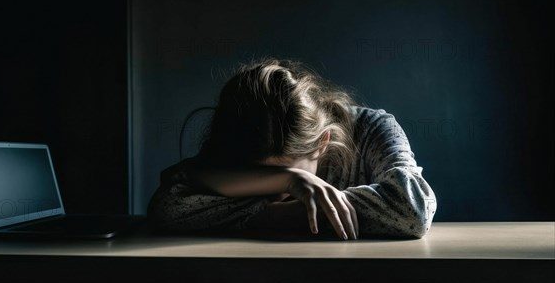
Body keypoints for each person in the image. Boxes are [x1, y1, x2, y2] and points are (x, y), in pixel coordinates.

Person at [147, 57, 437, 239]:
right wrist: (291, 179)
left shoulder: (371, 129)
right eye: (258, 175)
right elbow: (167, 208)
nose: (276, 194)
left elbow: (412, 210)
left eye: (286, 170)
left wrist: (271, 216)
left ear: (322, 143)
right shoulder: (240, 141)